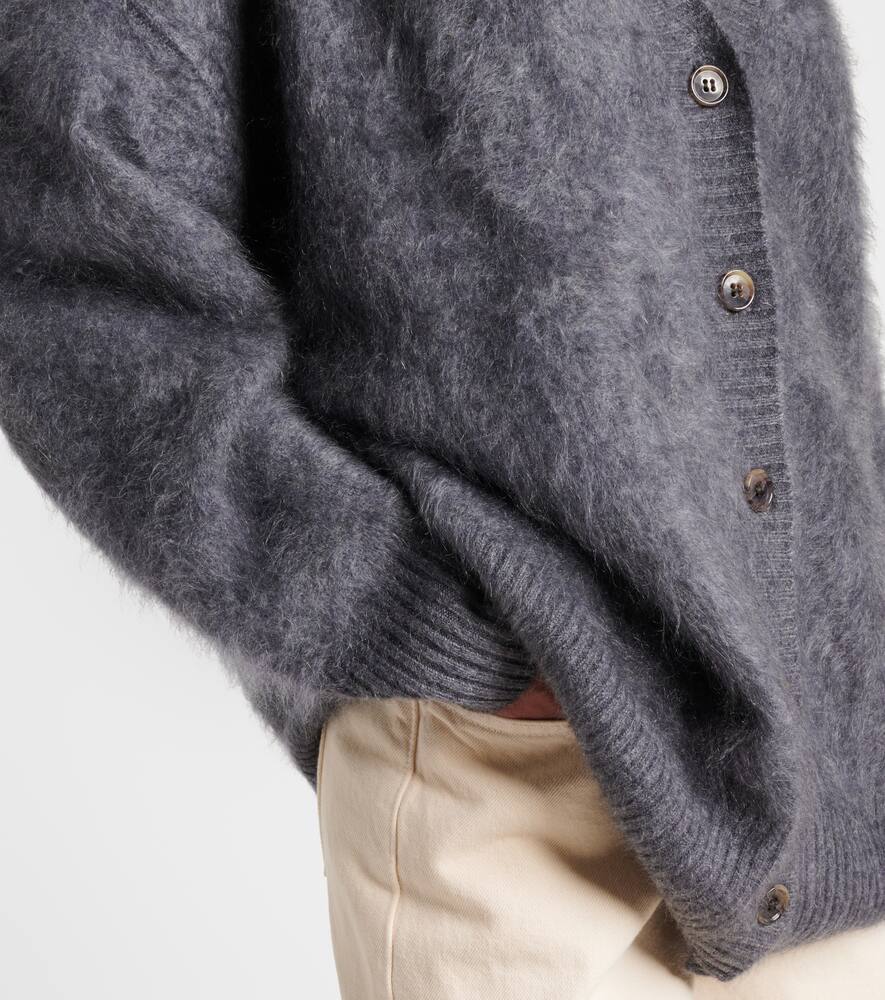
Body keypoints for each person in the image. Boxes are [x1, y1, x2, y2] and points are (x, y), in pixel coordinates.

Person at [1, 2, 883, 997]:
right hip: (518, 787)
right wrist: (403, 609)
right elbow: (68, 270)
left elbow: (806, 293)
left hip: (835, 796)